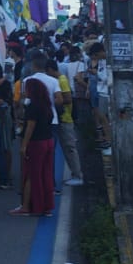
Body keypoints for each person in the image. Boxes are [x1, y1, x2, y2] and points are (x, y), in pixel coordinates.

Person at [13, 76, 55, 217]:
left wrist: (24, 145)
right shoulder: (46, 104)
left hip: (36, 143)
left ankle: (26, 206)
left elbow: (30, 126)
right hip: (48, 140)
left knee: (31, 175)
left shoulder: (32, 106)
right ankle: (45, 205)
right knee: (45, 174)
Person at [46, 58, 84, 187]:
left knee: (69, 147)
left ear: (50, 70)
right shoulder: (60, 80)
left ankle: (77, 175)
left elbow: (67, 98)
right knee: (67, 148)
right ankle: (76, 174)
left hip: (65, 118)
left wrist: (56, 100)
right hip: (63, 118)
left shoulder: (61, 80)